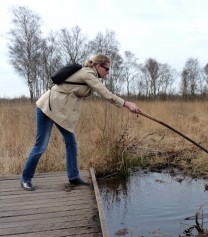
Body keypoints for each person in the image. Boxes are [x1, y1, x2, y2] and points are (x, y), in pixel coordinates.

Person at [21, 53, 141, 191]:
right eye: (106, 69)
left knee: (71, 142)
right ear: (97, 65)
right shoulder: (87, 74)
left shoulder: (90, 75)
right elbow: (106, 93)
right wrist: (127, 104)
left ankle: (73, 177)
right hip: (47, 108)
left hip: (60, 113)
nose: (108, 72)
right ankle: (26, 179)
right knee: (40, 146)